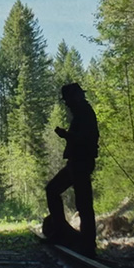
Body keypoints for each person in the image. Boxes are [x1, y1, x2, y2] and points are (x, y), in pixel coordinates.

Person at [45, 82, 99, 255]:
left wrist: (66, 135)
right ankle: (71, 236)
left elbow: (84, 138)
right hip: (76, 163)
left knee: (82, 202)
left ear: (75, 97)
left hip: (81, 163)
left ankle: (87, 244)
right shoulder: (82, 112)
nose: (66, 103)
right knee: (56, 191)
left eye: (68, 99)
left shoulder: (84, 113)